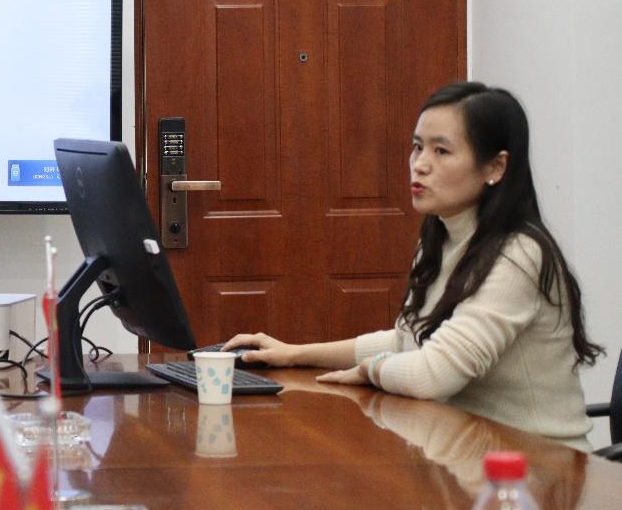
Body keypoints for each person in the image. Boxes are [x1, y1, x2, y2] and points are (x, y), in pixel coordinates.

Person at [225, 81, 604, 449]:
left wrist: (371, 370)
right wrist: (295, 353)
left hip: (540, 467)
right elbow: (408, 340)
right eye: (418, 147)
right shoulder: (441, 237)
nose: (420, 165)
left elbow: (432, 374)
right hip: (469, 451)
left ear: (495, 166)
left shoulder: (518, 254)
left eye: (442, 151)